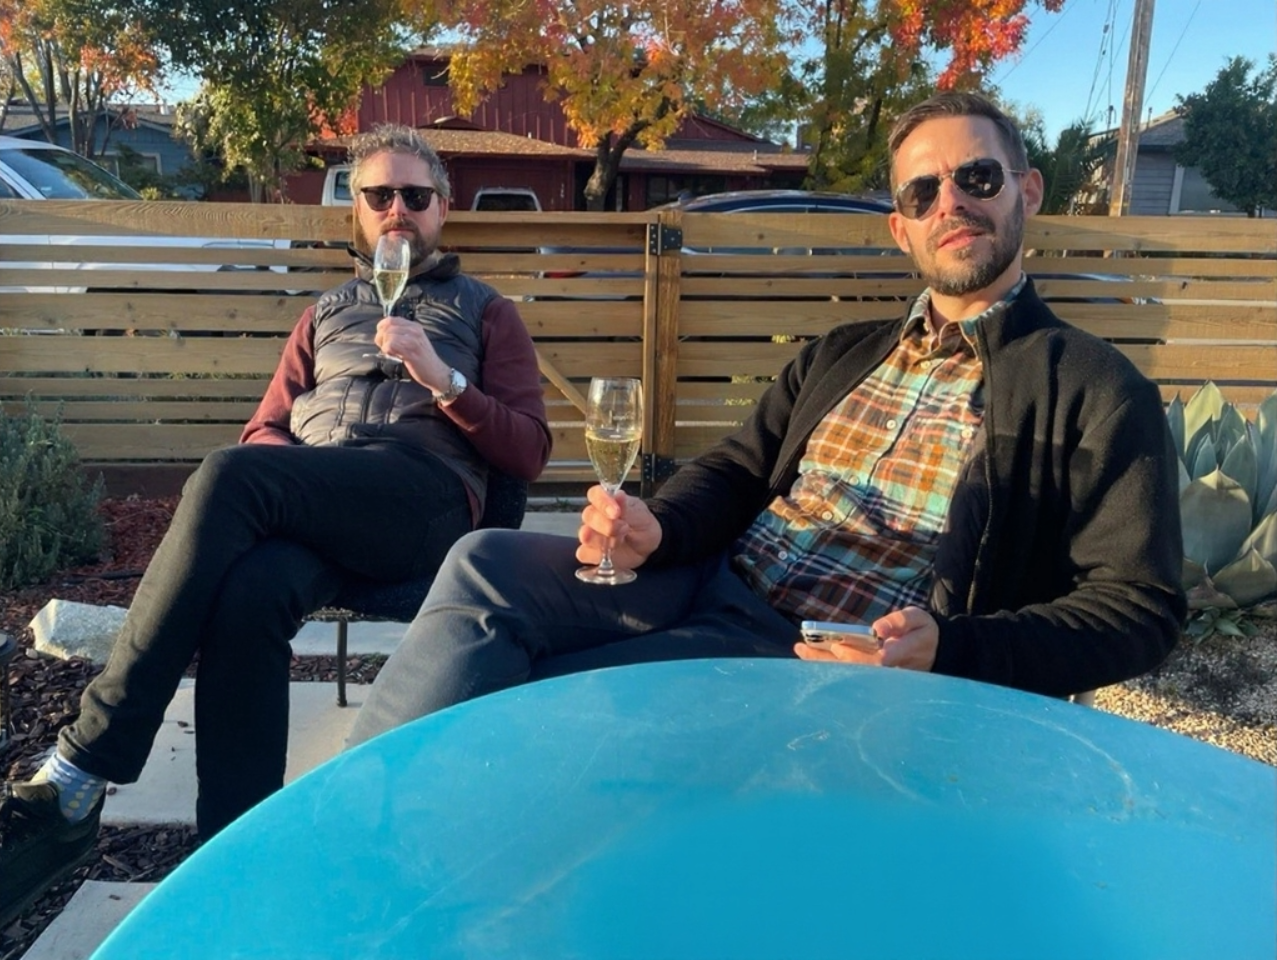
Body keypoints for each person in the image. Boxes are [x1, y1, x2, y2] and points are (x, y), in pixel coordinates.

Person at [346, 91, 1185, 749]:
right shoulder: (845, 352)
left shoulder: (1092, 388)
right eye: (923, 191)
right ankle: (336, 829)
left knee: (536, 706)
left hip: (816, 652)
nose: (950, 205)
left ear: (1026, 191)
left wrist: (951, 651)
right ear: (900, 228)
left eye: (978, 178)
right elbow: (740, 469)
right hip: (710, 582)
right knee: (484, 562)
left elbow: (1139, 609)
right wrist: (657, 529)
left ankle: (395, 851)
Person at [0, 124, 551, 924]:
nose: (398, 210)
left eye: (416, 196)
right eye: (379, 195)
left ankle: (82, 769)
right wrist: (297, 464)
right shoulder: (325, 312)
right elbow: (266, 429)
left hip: (419, 502)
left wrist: (444, 378)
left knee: (227, 475)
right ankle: (236, 856)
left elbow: (529, 450)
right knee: (249, 591)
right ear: (356, 212)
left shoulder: (485, 311)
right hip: (320, 502)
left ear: (443, 209)